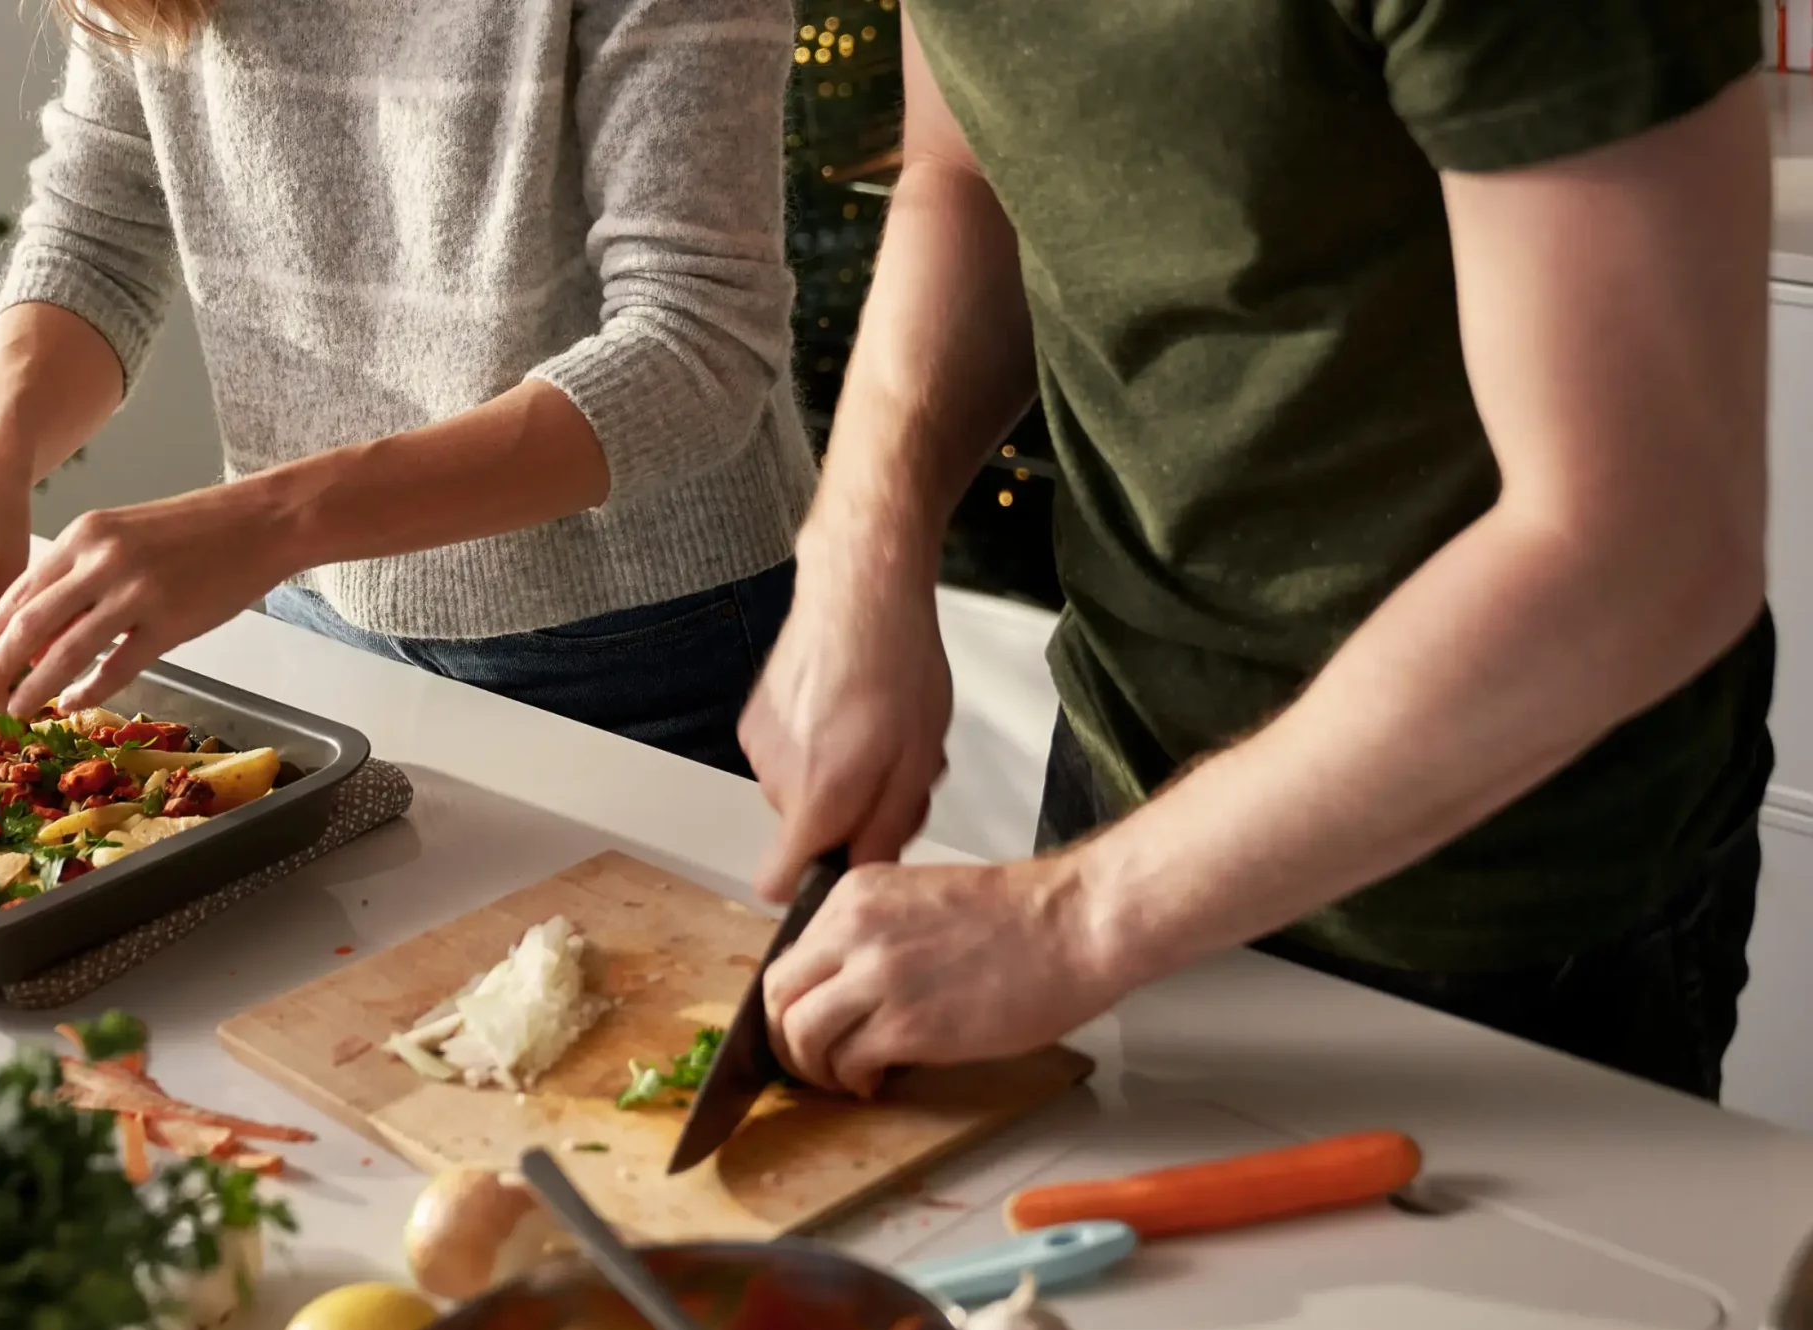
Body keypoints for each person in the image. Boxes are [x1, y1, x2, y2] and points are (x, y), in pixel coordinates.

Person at [744, 4, 1773, 1101]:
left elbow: (1641, 548)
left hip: (1491, 884)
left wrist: (1075, 919)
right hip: (1119, 768)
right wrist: (860, 546)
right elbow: (963, 170)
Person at [0, 0, 814, 777]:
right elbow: (99, 228)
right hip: (315, 616)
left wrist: (266, 521)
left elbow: (696, 343)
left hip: (649, 647)